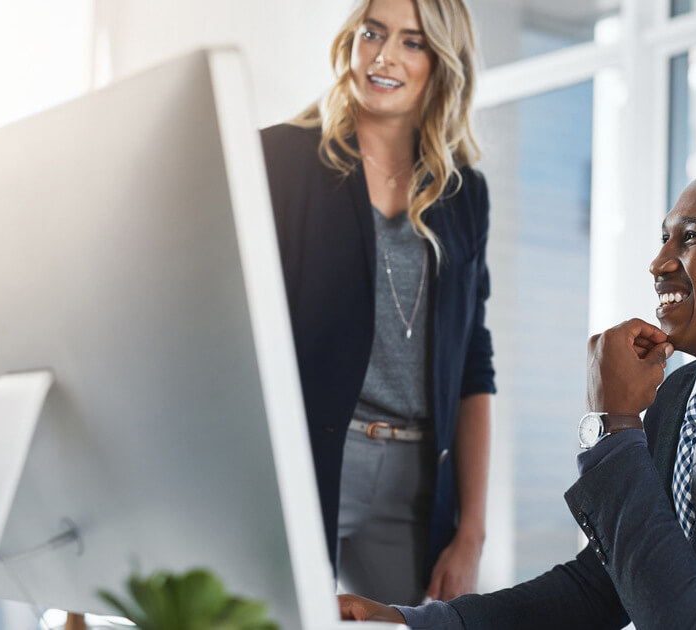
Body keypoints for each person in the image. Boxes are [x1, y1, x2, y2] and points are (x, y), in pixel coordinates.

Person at [339, 159, 696, 628]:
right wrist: (411, 622)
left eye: (691, 239)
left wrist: (615, 421)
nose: (659, 263)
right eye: (664, 238)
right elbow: (605, 583)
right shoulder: (679, 399)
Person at [260, 0, 494, 606]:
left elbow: (473, 360)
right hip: (310, 457)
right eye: (373, 33)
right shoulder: (281, 160)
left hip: (419, 477)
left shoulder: (464, 193)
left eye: (412, 43)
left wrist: (471, 532)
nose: (384, 56)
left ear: (441, 63)